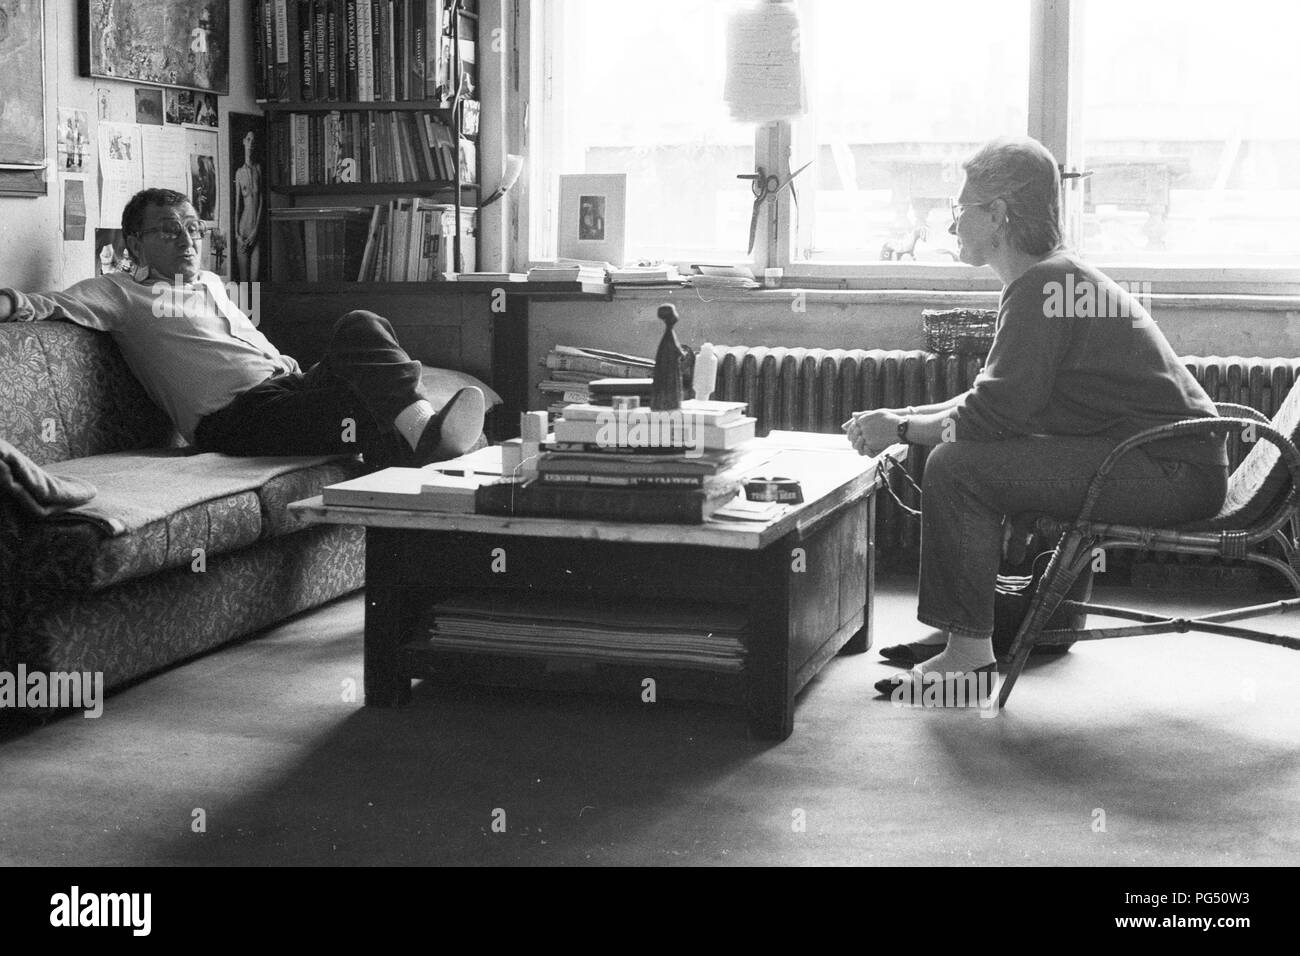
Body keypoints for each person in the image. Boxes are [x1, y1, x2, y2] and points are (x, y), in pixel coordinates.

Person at [844, 136, 1228, 704]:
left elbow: (986, 417)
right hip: (1160, 458)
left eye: (960, 210)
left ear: (996, 214)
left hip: (1171, 471)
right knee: (959, 456)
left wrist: (898, 430)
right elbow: (993, 402)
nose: (953, 226)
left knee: (956, 466)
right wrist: (898, 416)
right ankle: (962, 632)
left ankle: (969, 658)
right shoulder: (1051, 278)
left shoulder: (1043, 286)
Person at [0, 187, 484, 470]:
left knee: (362, 327)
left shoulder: (210, 282)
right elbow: (43, 304)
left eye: (192, 228)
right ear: (134, 243)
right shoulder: (121, 292)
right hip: (235, 420)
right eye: (169, 230)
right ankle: (427, 440)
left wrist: (289, 366)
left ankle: (422, 439)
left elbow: (244, 341)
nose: (187, 240)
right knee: (374, 404)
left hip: (285, 387)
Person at [233, 130, 263, 283]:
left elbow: (261, 202)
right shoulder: (239, 173)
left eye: (254, 141)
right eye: (249, 140)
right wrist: (237, 235)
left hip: (255, 232)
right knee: (244, 284)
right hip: (243, 230)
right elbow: (237, 207)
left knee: (255, 282)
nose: (251, 144)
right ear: (244, 141)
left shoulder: (258, 169)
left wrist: (256, 231)